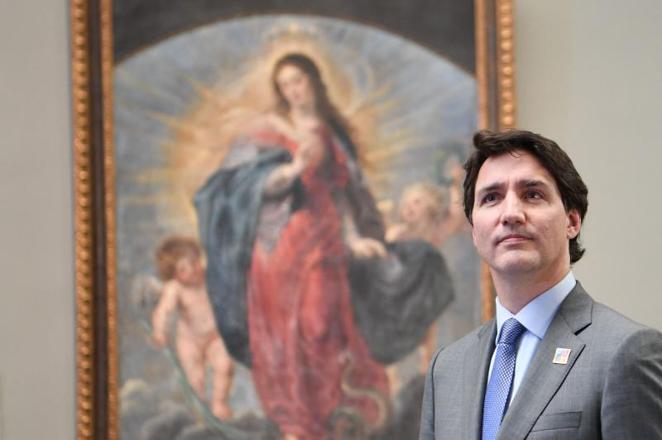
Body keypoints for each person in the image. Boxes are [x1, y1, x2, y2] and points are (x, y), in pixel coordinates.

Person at [419, 129, 662, 439]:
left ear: (572, 222)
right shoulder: (446, 369)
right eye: (491, 198)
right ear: (475, 233)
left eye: (532, 194)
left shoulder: (626, 352)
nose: (511, 213)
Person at [151, 236, 234, 421]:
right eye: (183, 268)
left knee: (225, 366)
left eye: (195, 261)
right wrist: (159, 331)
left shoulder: (210, 277)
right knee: (196, 380)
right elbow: (163, 311)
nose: (193, 269)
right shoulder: (175, 288)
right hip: (189, 342)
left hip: (214, 337)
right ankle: (200, 412)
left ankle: (220, 403)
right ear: (173, 274)